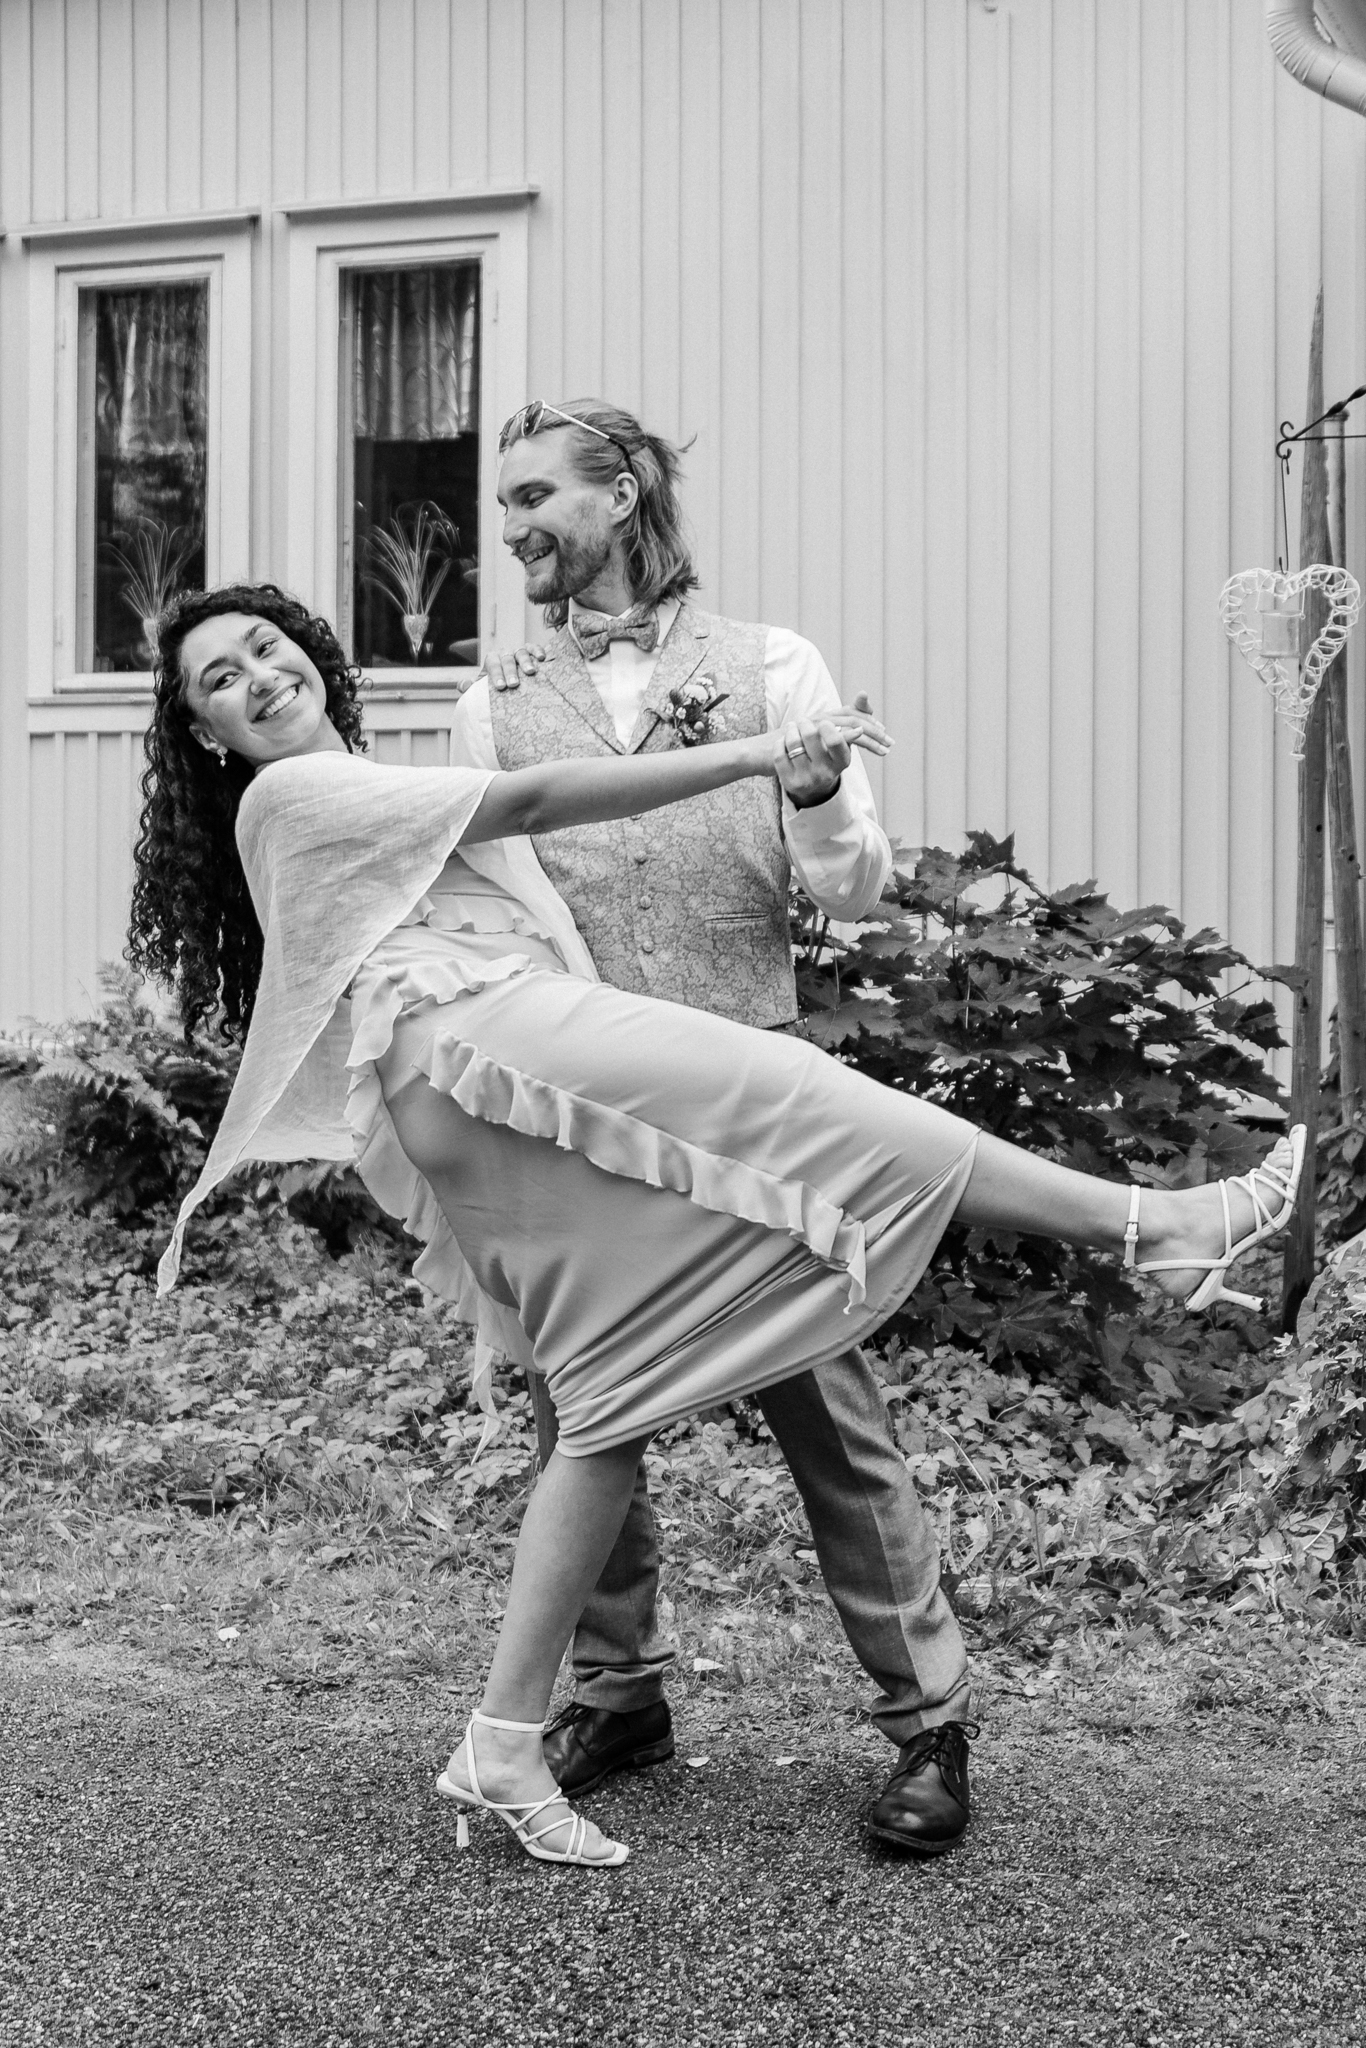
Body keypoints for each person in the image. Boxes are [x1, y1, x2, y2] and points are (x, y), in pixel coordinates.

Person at [130, 581, 1304, 1872]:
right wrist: (755, 754)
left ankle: (505, 1740)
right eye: (220, 680)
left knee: (600, 1408)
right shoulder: (296, 795)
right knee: (819, 1105)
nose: (257, 676)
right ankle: (1158, 1227)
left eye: (265, 648)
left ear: (309, 653)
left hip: (472, 1089)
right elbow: (532, 800)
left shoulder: (357, 787)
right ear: (204, 734)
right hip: (486, 1045)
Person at [450, 396, 982, 1857]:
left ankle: (927, 1720)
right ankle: (617, 1694)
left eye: (535, 497)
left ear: (622, 496)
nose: (513, 528)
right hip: (579, 1115)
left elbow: (854, 889)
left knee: (831, 1412)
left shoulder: (774, 667)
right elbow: (484, 907)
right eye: (505, 504)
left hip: (749, 1101)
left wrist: (814, 796)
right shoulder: (489, 703)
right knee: (586, 1414)